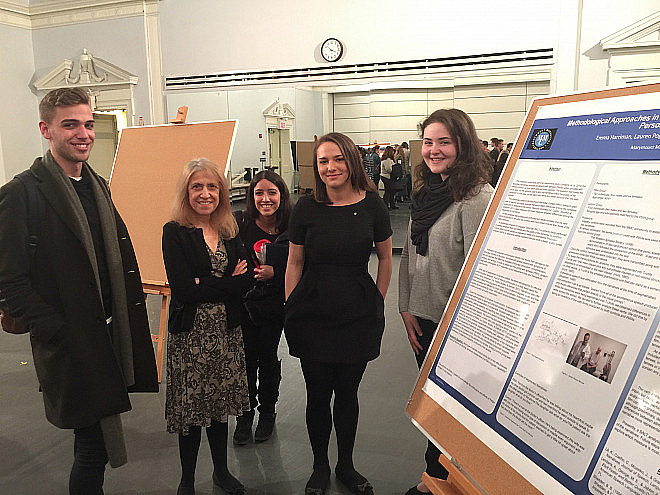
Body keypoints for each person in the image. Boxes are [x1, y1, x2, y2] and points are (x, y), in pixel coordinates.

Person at [0, 87, 158, 494]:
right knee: (92, 445)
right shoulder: (22, 193)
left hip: (108, 333)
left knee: (94, 442)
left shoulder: (98, 186)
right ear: (46, 129)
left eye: (88, 124)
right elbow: (7, 279)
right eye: (70, 124)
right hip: (70, 342)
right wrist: (56, 328)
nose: (83, 133)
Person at [284, 132, 392, 495]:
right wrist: (290, 306)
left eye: (338, 159)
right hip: (312, 313)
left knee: (347, 394)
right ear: (316, 168)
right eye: (323, 161)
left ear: (351, 161)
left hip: (356, 313)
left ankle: (346, 464)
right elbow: (294, 261)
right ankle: (319, 466)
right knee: (317, 394)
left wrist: (376, 301)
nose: (331, 167)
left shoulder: (373, 205)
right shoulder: (306, 208)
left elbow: (386, 258)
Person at [399, 109, 493, 495]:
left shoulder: (475, 198)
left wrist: (457, 330)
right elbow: (409, 257)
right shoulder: (426, 193)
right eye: (428, 142)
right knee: (433, 404)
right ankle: (438, 479)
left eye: (444, 142)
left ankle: (436, 482)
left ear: (463, 145)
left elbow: (478, 271)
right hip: (422, 316)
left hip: (453, 326)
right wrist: (405, 308)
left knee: (449, 409)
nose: (434, 150)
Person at [162, 158, 252, 495]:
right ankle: (186, 480)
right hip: (191, 337)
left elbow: (245, 284)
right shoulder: (175, 231)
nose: (205, 193)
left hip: (227, 334)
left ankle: (221, 471)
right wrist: (228, 281)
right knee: (191, 412)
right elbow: (184, 289)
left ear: (221, 192)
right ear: (187, 192)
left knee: (218, 408)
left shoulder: (230, 229)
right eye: (197, 186)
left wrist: (210, 282)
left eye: (212, 186)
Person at [232, 170, 292, 445]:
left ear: (281, 195)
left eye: (272, 192)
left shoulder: (292, 227)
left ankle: (267, 412)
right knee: (245, 360)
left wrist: (275, 275)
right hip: (244, 303)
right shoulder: (240, 224)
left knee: (267, 358)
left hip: (274, 304)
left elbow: (301, 267)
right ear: (251, 196)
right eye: (259, 193)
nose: (265, 199)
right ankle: (244, 416)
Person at [380, 145, 397, 210]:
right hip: (387, 177)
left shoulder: (385, 159)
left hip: (385, 177)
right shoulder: (388, 160)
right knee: (388, 192)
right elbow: (389, 169)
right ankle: (385, 206)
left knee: (390, 192)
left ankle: (391, 205)